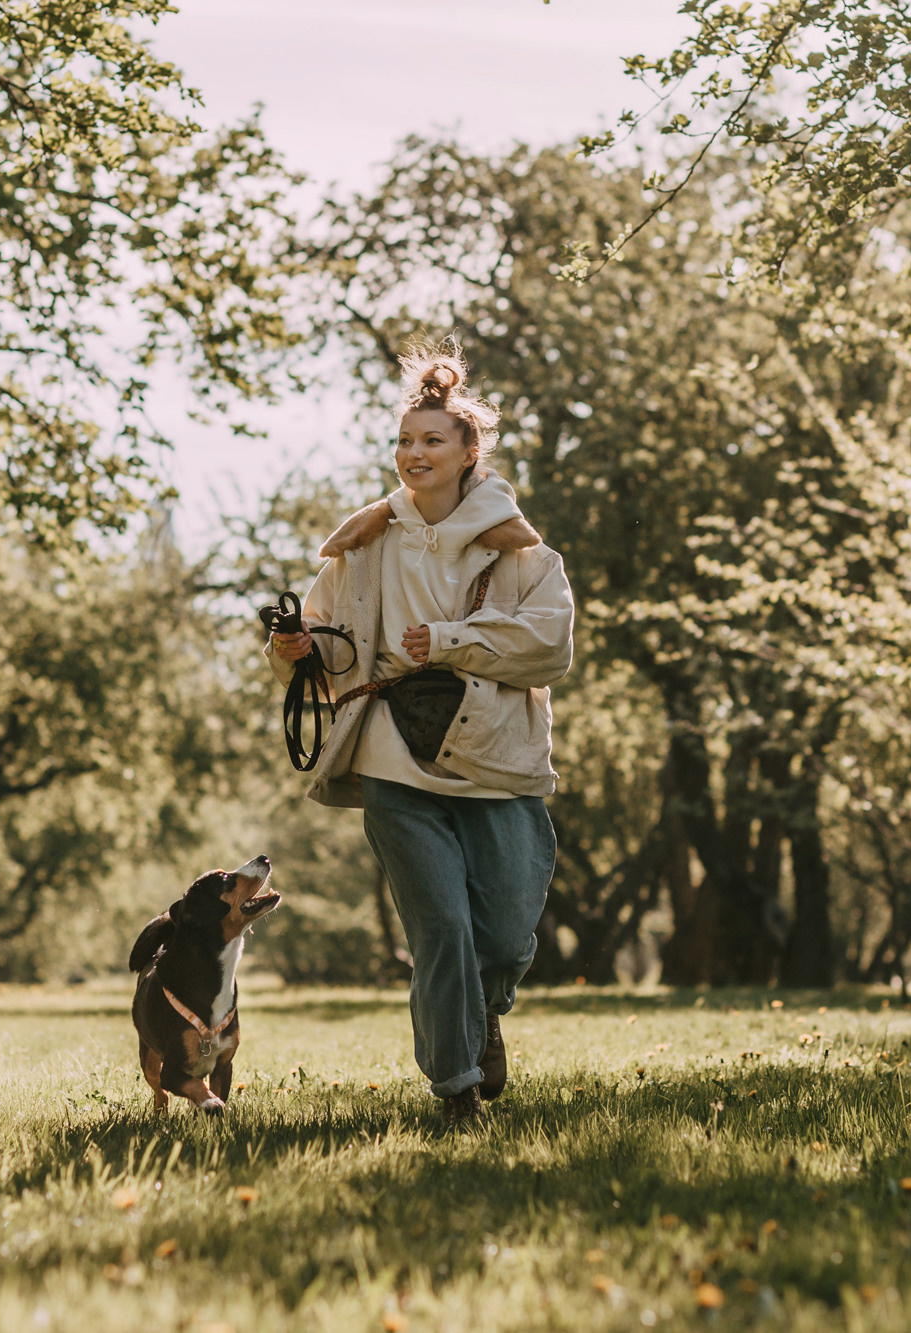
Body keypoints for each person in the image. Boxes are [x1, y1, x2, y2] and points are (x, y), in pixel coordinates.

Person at [267, 343, 574, 1123]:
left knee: (501, 938)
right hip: (390, 753)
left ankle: (481, 1012)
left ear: (471, 451)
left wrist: (447, 640)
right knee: (439, 925)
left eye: (432, 441)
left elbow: (550, 645)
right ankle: (457, 1086)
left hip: (497, 756)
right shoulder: (365, 542)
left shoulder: (527, 554)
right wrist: (295, 649)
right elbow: (325, 639)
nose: (413, 454)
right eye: (405, 441)